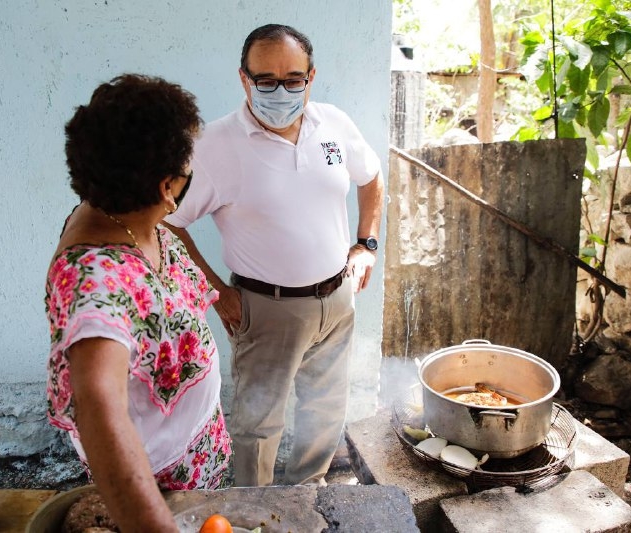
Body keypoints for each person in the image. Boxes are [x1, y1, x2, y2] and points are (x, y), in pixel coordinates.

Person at [165, 23, 384, 487]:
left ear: (311, 76)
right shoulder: (215, 147)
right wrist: (212, 291)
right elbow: (167, 222)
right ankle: (254, 508)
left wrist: (366, 245)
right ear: (244, 79)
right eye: (265, 80)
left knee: (325, 411)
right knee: (259, 425)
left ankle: (308, 495)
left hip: (337, 300)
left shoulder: (334, 124)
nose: (279, 90)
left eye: (293, 79)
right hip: (266, 308)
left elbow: (372, 176)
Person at [45, 74, 231, 531]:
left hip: (195, 442)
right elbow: (98, 405)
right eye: (190, 163)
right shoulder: (98, 283)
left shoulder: (118, 208)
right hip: (157, 471)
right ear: (167, 186)